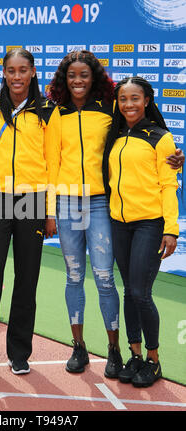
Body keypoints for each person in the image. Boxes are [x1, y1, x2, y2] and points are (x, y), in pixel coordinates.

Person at [47, 50, 184, 379]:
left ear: (94, 78)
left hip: (99, 204)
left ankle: (116, 350)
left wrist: (175, 160)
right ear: (64, 79)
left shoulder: (108, 109)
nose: (78, 81)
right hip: (67, 204)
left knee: (108, 280)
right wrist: (48, 209)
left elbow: (148, 141)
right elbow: (50, 163)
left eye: (84, 75)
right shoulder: (55, 113)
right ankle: (78, 347)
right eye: (72, 76)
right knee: (74, 277)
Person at [0, 48, 60, 377]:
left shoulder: (48, 111)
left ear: (34, 72)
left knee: (27, 278)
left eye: (23, 70)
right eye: (11, 70)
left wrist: (50, 211)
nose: (17, 76)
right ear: (4, 73)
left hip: (34, 198)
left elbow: (54, 164)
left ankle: (19, 352)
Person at [102, 76, 179, 388]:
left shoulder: (161, 138)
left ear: (147, 100)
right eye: (123, 99)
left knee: (140, 292)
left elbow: (169, 186)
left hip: (150, 224)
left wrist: (171, 230)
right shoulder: (115, 135)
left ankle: (153, 359)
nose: (129, 104)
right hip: (119, 223)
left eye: (135, 98)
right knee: (128, 291)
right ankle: (134, 355)